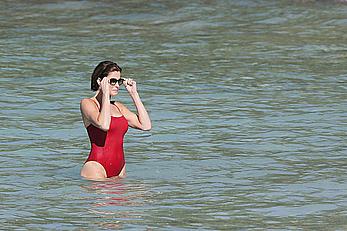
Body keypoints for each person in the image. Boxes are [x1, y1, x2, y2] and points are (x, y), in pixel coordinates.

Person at [80, 61, 151, 180]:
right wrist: (106, 93)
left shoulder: (118, 106)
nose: (117, 85)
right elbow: (104, 125)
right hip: (96, 167)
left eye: (119, 81)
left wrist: (134, 94)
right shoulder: (87, 103)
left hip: (120, 168)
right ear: (99, 81)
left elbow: (145, 125)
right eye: (112, 81)